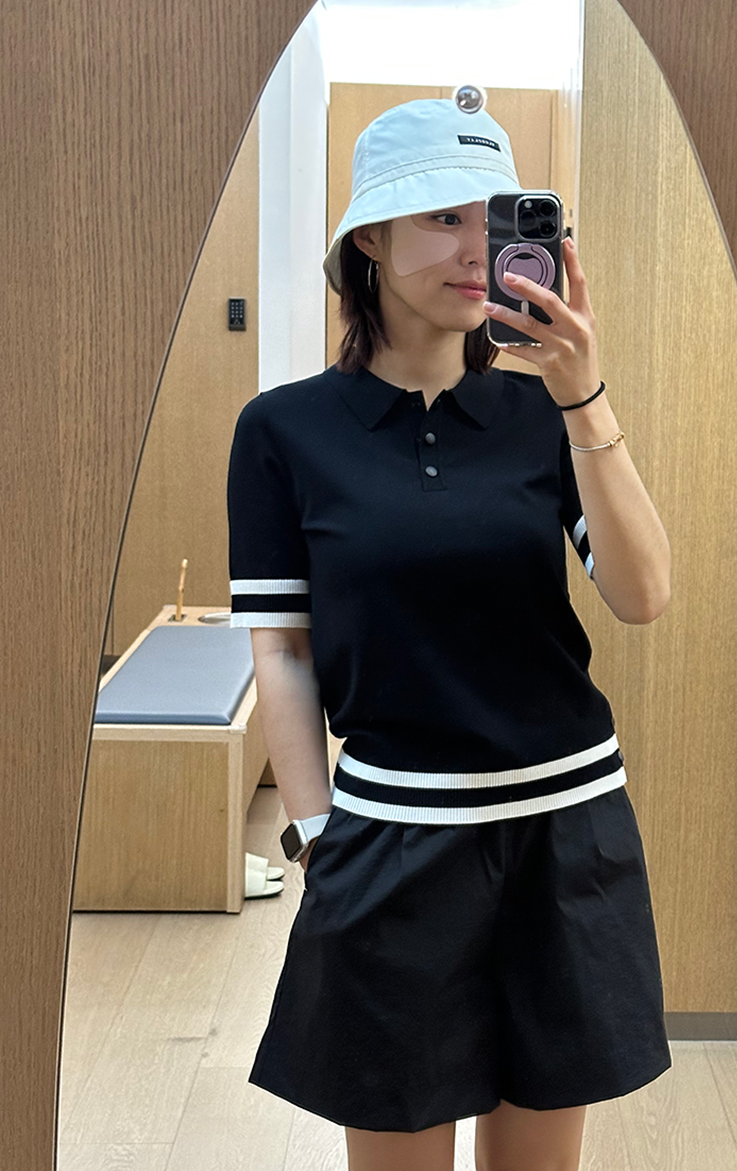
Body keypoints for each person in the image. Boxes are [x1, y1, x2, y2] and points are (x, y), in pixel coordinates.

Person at [227, 94, 673, 1171]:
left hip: (566, 831)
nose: (478, 251)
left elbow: (643, 593)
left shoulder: (539, 414)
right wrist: (316, 831)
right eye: (442, 218)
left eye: (495, 218)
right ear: (369, 243)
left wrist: (584, 395)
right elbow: (282, 649)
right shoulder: (283, 430)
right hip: (390, 833)